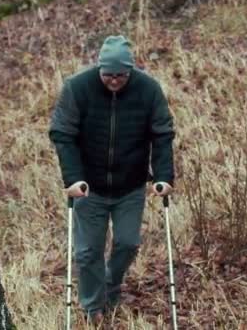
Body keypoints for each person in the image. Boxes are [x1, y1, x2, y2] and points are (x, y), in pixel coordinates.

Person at [49, 35, 175, 325]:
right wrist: (72, 178)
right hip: (88, 187)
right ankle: (94, 306)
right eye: (109, 75)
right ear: (99, 68)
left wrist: (164, 175)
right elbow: (62, 133)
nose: (115, 80)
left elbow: (162, 133)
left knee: (128, 243)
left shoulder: (148, 89)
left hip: (130, 185)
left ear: (130, 70)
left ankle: (110, 283)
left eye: (121, 75)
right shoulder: (77, 88)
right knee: (88, 250)